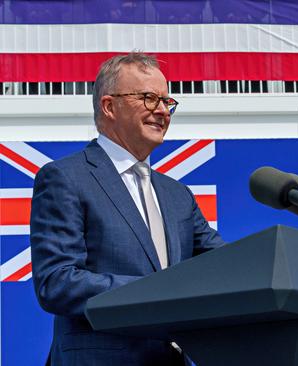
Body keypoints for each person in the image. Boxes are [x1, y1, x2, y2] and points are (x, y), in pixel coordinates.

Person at [30, 53, 225, 366]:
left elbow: (228, 264)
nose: (162, 110)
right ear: (109, 106)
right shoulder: (65, 178)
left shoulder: (178, 195)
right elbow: (57, 282)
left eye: (166, 101)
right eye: (148, 98)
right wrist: (157, 290)